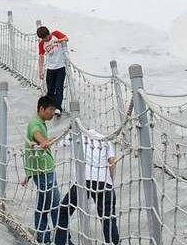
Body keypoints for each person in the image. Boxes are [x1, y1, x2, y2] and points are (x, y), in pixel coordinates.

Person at [54, 128, 120, 244]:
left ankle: (62, 242)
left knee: (64, 210)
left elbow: (58, 143)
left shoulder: (76, 136)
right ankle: (113, 243)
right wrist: (110, 181)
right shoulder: (105, 139)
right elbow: (112, 162)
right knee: (108, 218)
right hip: (104, 182)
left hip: (83, 180)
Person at [21, 95, 61, 243]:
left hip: (43, 170)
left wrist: (28, 175)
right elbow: (36, 134)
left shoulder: (39, 122)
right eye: (51, 110)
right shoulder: (35, 123)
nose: (53, 113)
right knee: (55, 205)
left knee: (43, 205)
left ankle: (43, 237)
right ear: (41, 109)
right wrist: (45, 141)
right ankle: (61, 238)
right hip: (44, 172)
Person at [37, 26, 69, 115]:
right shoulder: (42, 43)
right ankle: (50, 108)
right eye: (43, 38)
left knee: (59, 88)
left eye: (46, 37)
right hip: (50, 68)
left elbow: (66, 38)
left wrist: (58, 41)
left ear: (48, 34)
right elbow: (41, 57)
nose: (45, 39)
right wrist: (40, 71)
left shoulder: (56, 34)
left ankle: (58, 108)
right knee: (50, 89)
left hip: (61, 67)